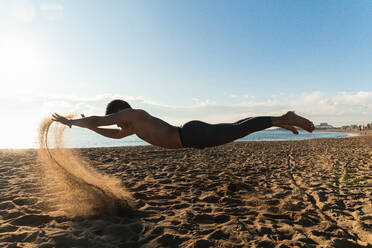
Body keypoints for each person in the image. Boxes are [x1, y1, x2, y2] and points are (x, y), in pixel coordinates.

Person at [52, 99, 315, 149]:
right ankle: (279, 121)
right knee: (236, 128)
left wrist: (72, 122)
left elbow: (100, 120)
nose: (119, 124)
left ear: (122, 112)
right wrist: (90, 126)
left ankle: (283, 118)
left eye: (117, 119)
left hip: (192, 135)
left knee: (237, 130)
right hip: (192, 136)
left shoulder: (134, 115)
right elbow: (113, 134)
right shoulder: (132, 126)